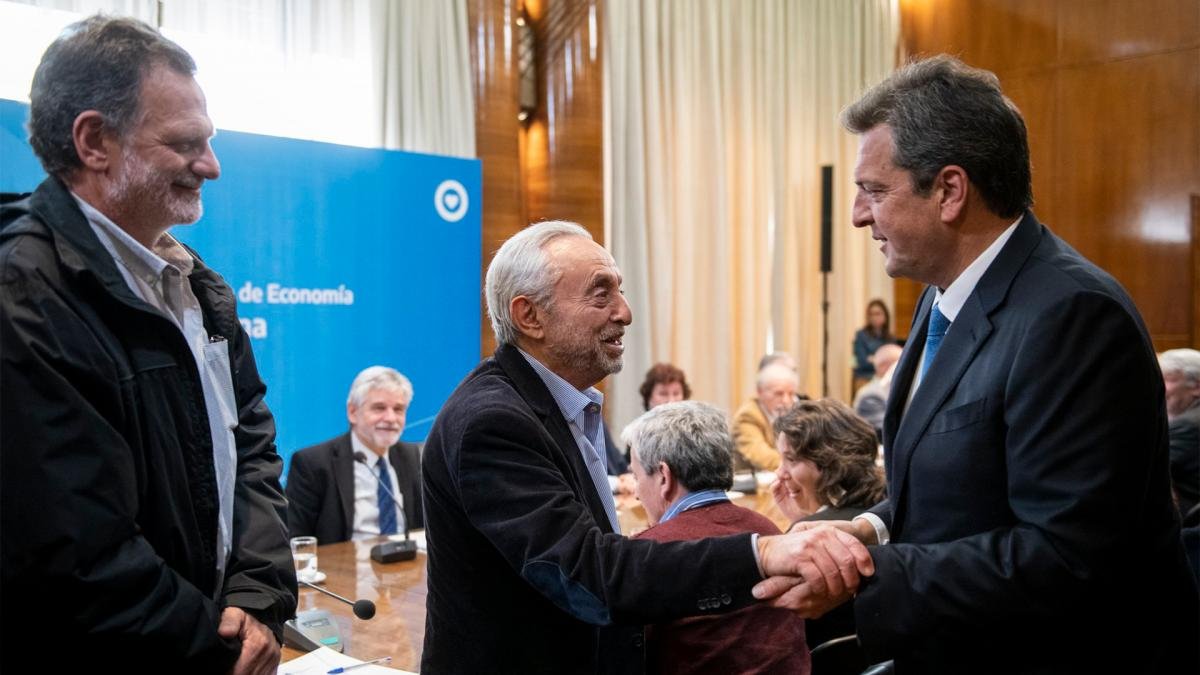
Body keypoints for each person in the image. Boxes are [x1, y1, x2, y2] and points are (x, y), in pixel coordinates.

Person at [756, 55, 1198, 672]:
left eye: (875, 191)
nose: (859, 214)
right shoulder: (945, 296)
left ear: (950, 191)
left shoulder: (1072, 317)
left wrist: (865, 572)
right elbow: (952, 497)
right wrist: (867, 532)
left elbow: (1066, 557)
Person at [420, 221, 872, 674]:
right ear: (529, 316)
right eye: (601, 294)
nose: (625, 312)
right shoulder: (492, 422)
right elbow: (589, 573)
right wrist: (762, 553)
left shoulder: (555, 405)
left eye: (620, 291)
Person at [0, 15, 295, 674]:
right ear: (95, 141)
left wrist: (256, 595)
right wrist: (220, 646)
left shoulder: (200, 288)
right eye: (186, 144)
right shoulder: (23, 292)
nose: (212, 166)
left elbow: (252, 446)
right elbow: (75, 551)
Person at [626, 401, 810, 675]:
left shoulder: (650, 553)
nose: (637, 493)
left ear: (664, 476)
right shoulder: (768, 530)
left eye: (636, 475)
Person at [770, 399, 887, 648]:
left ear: (831, 464)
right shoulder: (884, 513)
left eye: (791, 460)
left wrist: (802, 527)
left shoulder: (811, 540)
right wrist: (804, 519)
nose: (780, 473)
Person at [286, 366, 424, 544]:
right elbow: (297, 541)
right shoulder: (313, 463)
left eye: (398, 409)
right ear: (352, 412)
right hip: (342, 568)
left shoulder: (413, 456)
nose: (391, 418)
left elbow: (424, 528)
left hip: (404, 566)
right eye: (379, 408)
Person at [732, 362, 801, 471]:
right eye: (779, 394)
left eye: (791, 394)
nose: (786, 401)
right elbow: (762, 457)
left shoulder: (797, 411)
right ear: (760, 392)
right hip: (754, 485)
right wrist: (799, 465)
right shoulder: (747, 416)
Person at [1159, 349, 1200, 520]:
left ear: (1197, 387)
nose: (1160, 387)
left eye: (1168, 379)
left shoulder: (1188, 425)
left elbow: (1144, 464)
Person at [852, 342, 903, 437]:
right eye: (900, 364)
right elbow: (889, 432)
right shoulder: (871, 395)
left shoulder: (887, 390)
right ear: (884, 367)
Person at [851, 299, 894, 391]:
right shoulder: (861, 335)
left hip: (885, 379)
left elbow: (893, 364)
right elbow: (862, 362)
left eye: (877, 313)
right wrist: (882, 361)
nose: (874, 317)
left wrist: (873, 359)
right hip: (865, 378)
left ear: (885, 316)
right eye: (871, 314)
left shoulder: (890, 338)